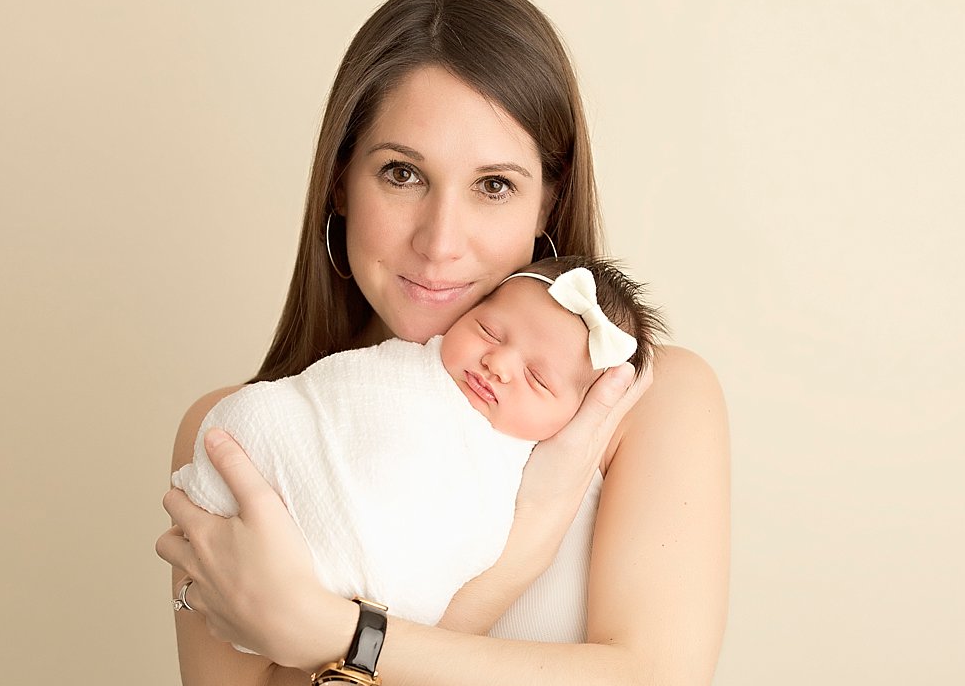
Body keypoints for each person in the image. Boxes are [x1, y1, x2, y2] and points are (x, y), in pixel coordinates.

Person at [156, 0, 730, 686]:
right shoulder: (245, 437)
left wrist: (337, 638)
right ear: (339, 183)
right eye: (402, 173)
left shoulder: (648, 405)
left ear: (548, 204)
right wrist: (510, 560)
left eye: (494, 185)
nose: (440, 241)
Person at [170, 256, 664, 633]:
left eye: (537, 379)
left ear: (582, 412)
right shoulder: (405, 369)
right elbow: (332, 397)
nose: (500, 364)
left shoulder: (514, 469)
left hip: (344, 597)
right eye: (488, 330)